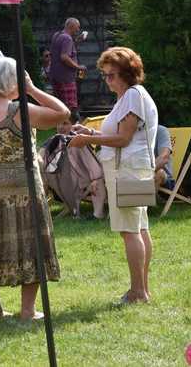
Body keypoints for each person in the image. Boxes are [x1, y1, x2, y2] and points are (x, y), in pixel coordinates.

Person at [0, 57, 69, 320]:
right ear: (12, 81)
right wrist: (33, 89)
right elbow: (63, 114)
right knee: (30, 242)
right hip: (24, 187)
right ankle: (27, 310)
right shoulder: (19, 110)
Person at [69, 47, 157, 304]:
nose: (108, 80)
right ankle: (141, 289)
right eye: (105, 75)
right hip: (133, 167)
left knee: (130, 230)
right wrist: (92, 134)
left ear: (128, 73)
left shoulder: (131, 96)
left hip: (126, 169)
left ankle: (138, 291)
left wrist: (86, 138)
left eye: (112, 75)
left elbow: (124, 138)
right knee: (139, 228)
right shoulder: (129, 97)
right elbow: (121, 136)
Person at [40, 113, 106, 219]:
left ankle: (97, 214)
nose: (61, 127)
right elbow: (41, 156)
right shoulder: (54, 141)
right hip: (62, 181)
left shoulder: (80, 140)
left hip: (85, 179)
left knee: (97, 181)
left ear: (73, 125)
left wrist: (94, 178)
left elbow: (90, 161)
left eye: (65, 123)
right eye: (58, 124)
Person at [49, 18, 87, 113]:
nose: (78, 30)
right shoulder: (67, 38)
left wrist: (77, 41)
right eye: (77, 27)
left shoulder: (57, 35)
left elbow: (61, 52)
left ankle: (60, 126)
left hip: (56, 77)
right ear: (72, 26)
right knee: (69, 108)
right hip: (66, 79)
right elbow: (64, 57)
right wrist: (79, 67)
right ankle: (69, 127)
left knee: (59, 106)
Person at [154, 125, 175, 190]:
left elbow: (164, 158)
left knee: (160, 173)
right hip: (138, 176)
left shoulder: (160, 131)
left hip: (164, 179)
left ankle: (148, 199)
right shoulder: (133, 133)